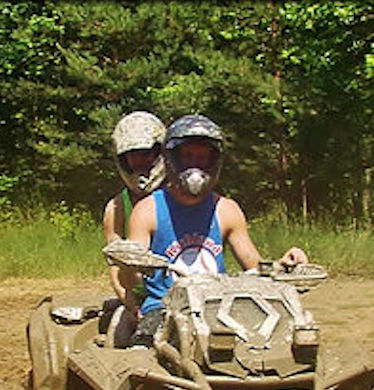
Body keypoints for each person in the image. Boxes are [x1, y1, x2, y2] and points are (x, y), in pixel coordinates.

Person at [126, 113, 308, 347]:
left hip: (217, 308)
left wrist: (283, 265)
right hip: (162, 309)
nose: (195, 165)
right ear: (171, 159)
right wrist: (130, 267)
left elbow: (255, 268)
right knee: (142, 356)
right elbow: (132, 273)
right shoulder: (147, 211)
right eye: (188, 156)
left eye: (203, 157)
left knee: (282, 344)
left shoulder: (226, 210)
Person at [102, 111, 167, 343]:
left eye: (146, 154)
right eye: (132, 156)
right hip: (139, 300)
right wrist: (131, 304)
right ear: (122, 160)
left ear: (160, 153)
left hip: (185, 294)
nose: (140, 161)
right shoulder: (117, 208)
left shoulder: (181, 197)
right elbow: (115, 267)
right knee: (120, 340)